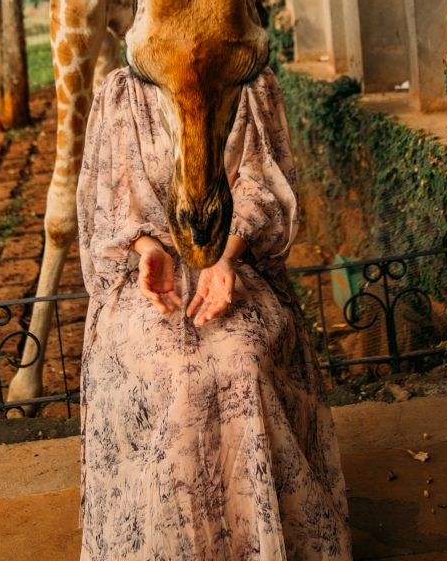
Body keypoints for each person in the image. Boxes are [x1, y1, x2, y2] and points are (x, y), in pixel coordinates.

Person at [77, 64, 353, 561]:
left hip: (235, 262)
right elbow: (116, 199)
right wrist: (147, 250)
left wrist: (225, 257)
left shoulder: (248, 84)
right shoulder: (124, 92)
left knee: (240, 364)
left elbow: (261, 186)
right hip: (148, 276)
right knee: (177, 376)